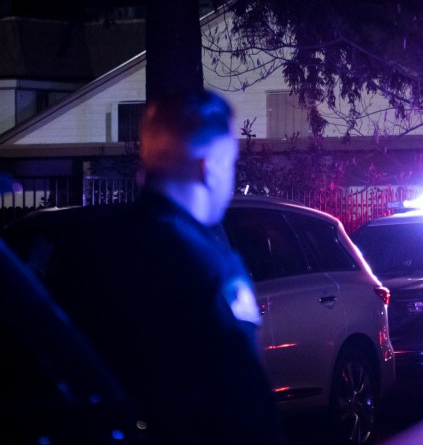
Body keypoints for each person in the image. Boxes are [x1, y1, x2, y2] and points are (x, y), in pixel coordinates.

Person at [45, 90, 286, 444]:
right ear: (209, 167)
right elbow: (244, 401)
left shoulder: (89, 251)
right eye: (230, 164)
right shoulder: (207, 266)